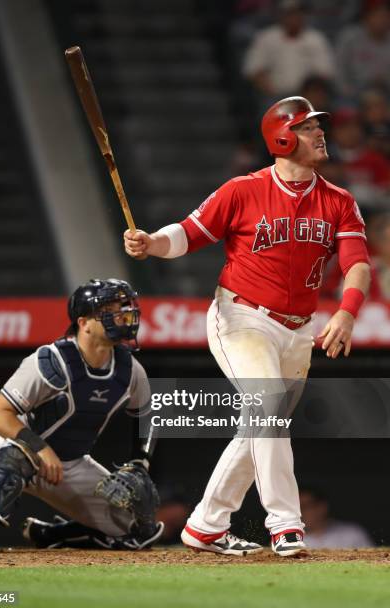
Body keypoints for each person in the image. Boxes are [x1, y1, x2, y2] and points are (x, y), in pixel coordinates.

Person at [123, 96, 371, 557]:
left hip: (298, 331)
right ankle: (286, 524)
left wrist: (348, 310)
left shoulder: (339, 201)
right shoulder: (242, 190)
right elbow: (188, 234)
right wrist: (151, 242)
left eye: (319, 126)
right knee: (270, 409)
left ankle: (204, 525)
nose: (320, 134)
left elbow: (357, 264)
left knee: (259, 425)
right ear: (281, 137)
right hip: (242, 316)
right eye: (308, 127)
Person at [0, 278, 163, 553]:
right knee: (15, 458)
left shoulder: (130, 369)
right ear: (84, 323)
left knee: (139, 529)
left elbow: (148, 416)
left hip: (71, 463)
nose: (122, 314)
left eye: (122, 307)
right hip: (17, 446)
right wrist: (40, 448)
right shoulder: (51, 360)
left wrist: (140, 463)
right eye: (110, 309)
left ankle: (53, 534)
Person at [243, 0, 335, 105]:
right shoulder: (266, 37)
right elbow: (254, 70)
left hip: (307, 97)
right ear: (281, 14)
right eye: (290, 13)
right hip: (275, 96)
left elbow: (324, 73)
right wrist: (271, 91)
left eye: (298, 13)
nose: (294, 17)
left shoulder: (316, 39)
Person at [300, 486, 374, 549]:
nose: (300, 512)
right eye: (297, 508)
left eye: (304, 507)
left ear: (322, 507)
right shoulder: (291, 540)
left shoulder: (352, 534)